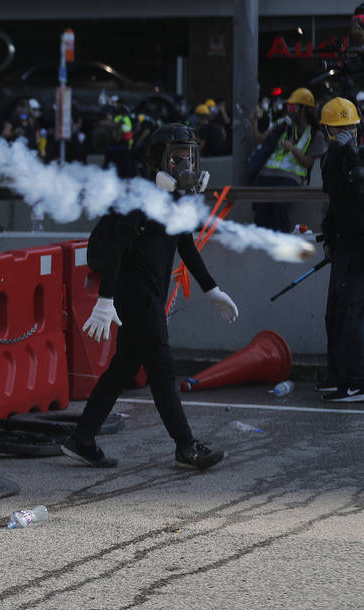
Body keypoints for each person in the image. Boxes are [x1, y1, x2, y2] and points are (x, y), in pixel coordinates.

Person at [61, 124, 238, 470]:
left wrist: (212, 289)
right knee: (162, 369)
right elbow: (115, 249)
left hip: (147, 294)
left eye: (188, 155)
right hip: (138, 296)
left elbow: (184, 244)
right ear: (158, 159)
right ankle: (186, 447)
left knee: (124, 365)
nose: (185, 163)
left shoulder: (175, 198)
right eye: (176, 157)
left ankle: (82, 438)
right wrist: (105, 299)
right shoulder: (141, 195)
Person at [316, 97, 364, 401]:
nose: (343, 135)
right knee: (334, 313)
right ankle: (337, 374)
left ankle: (356, 380)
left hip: (361, 246)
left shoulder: (357, 156)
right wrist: (329, 239)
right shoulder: (331, 160)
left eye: (349, 129)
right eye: (337, 130)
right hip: (344, 244)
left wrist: (353, 156)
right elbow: (335, 204)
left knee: (351, 313)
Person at [250, 87, 324, 234]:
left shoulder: (316, 134)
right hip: (267, 174)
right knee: (260, 209)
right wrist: (254, 122)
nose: (291, 111)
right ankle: (260, 249)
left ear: (305, 110)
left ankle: (282, 246)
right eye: (289, 107)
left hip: (290, 178)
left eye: (294, 107)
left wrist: (293, 149)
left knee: (279, 208)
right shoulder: (282, 124)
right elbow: (259, 141)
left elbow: (308, 163)